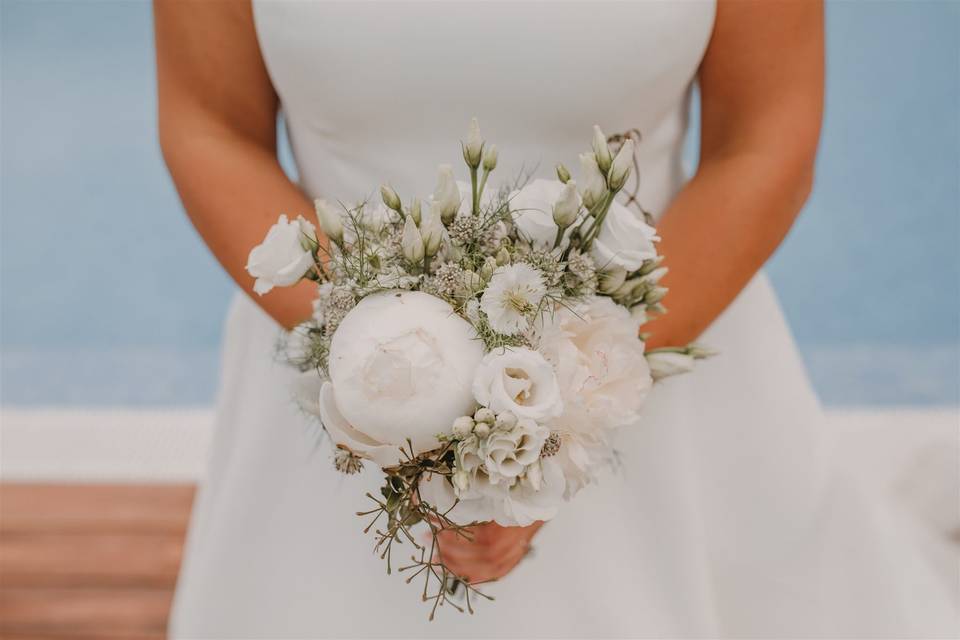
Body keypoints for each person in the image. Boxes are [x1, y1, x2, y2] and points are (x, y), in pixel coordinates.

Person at [156, 1, 957, 636]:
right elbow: (209, 126)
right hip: (331, 388)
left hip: (660, 376)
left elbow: (766, 138)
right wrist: (391, 368)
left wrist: (558, 406)